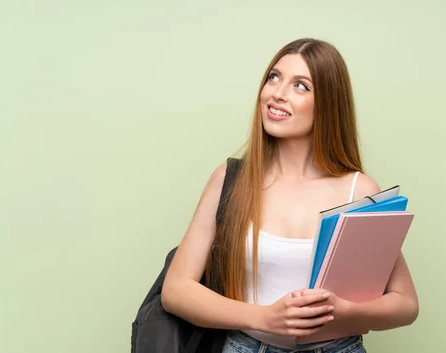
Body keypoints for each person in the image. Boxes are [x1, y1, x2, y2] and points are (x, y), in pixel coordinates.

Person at [160, 38, 419, 353]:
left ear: (328, 103)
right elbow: (176, 290)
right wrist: (265, 318)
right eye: (274, 77)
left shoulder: (359, 191)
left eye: (301, 86)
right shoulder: (231, 181)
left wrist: (344, 311)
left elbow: (406, 304)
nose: (277, 94)